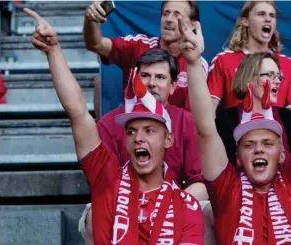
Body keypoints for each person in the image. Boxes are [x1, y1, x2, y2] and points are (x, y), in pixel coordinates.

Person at [24, 8, 204, 245]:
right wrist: (53, 51)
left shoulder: (186, 205)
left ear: (168, 140)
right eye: (131, 131)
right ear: (125, 139)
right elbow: (77, 112)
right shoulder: (107, 181)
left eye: (150, 131)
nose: (139, 138)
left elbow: (207, 132)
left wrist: (192, 63)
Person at [180, 6, 291, 244]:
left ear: (282, 155)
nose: (259, 148)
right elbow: (205, 129)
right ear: (237, 157)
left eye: (268, 143)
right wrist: (193, 63)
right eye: (249, 145)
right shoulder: (227, 191)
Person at [80, 49, 208, 245]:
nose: (151, 83)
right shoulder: (108, 123)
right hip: (120, 202)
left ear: (173, 86)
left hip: (176, 201)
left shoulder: (186, 121)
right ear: (134, 81)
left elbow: (200, 182)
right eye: (145, 76)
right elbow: (103, 184)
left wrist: (165, 204)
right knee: (92, 214)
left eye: (160, 77)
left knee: (208, 211)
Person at [84, 0, 208, 111]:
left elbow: (195, 119)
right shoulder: (139, 45)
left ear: (193, 25)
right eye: (166, 13)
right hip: (133, 129)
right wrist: (91, 20)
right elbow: (96, 44)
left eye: (177, 15)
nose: (169, 19)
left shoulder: (196, 65)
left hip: (175, 133)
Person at [207, 0, 291, 114]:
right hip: (236, 129)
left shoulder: (287, 63)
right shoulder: (223, 60)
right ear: (245, 21)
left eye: (272, 15)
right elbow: (209, 112)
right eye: (261, 14)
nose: (268, 19)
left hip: (276, 129)